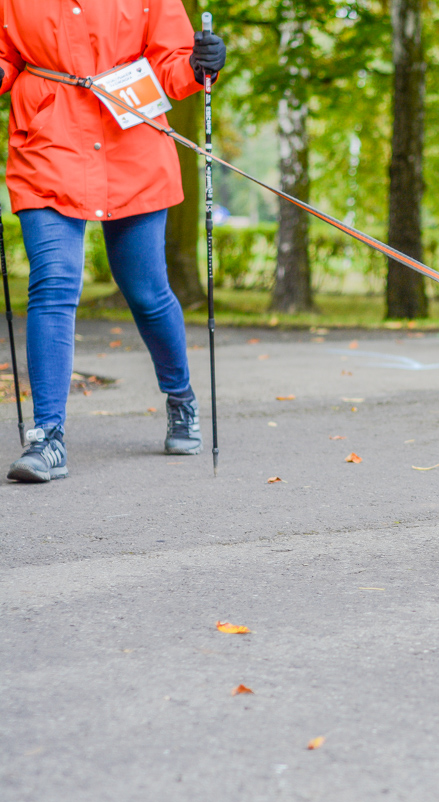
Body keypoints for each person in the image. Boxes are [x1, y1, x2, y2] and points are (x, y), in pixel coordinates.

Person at [0, 1, 226, 483]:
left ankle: (181, 398)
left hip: (133, 142)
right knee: (53, 284)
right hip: (48, 143)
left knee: (146, 290)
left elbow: (171, 65)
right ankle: (47, 436)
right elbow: (6, 57)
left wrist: (196, 64)